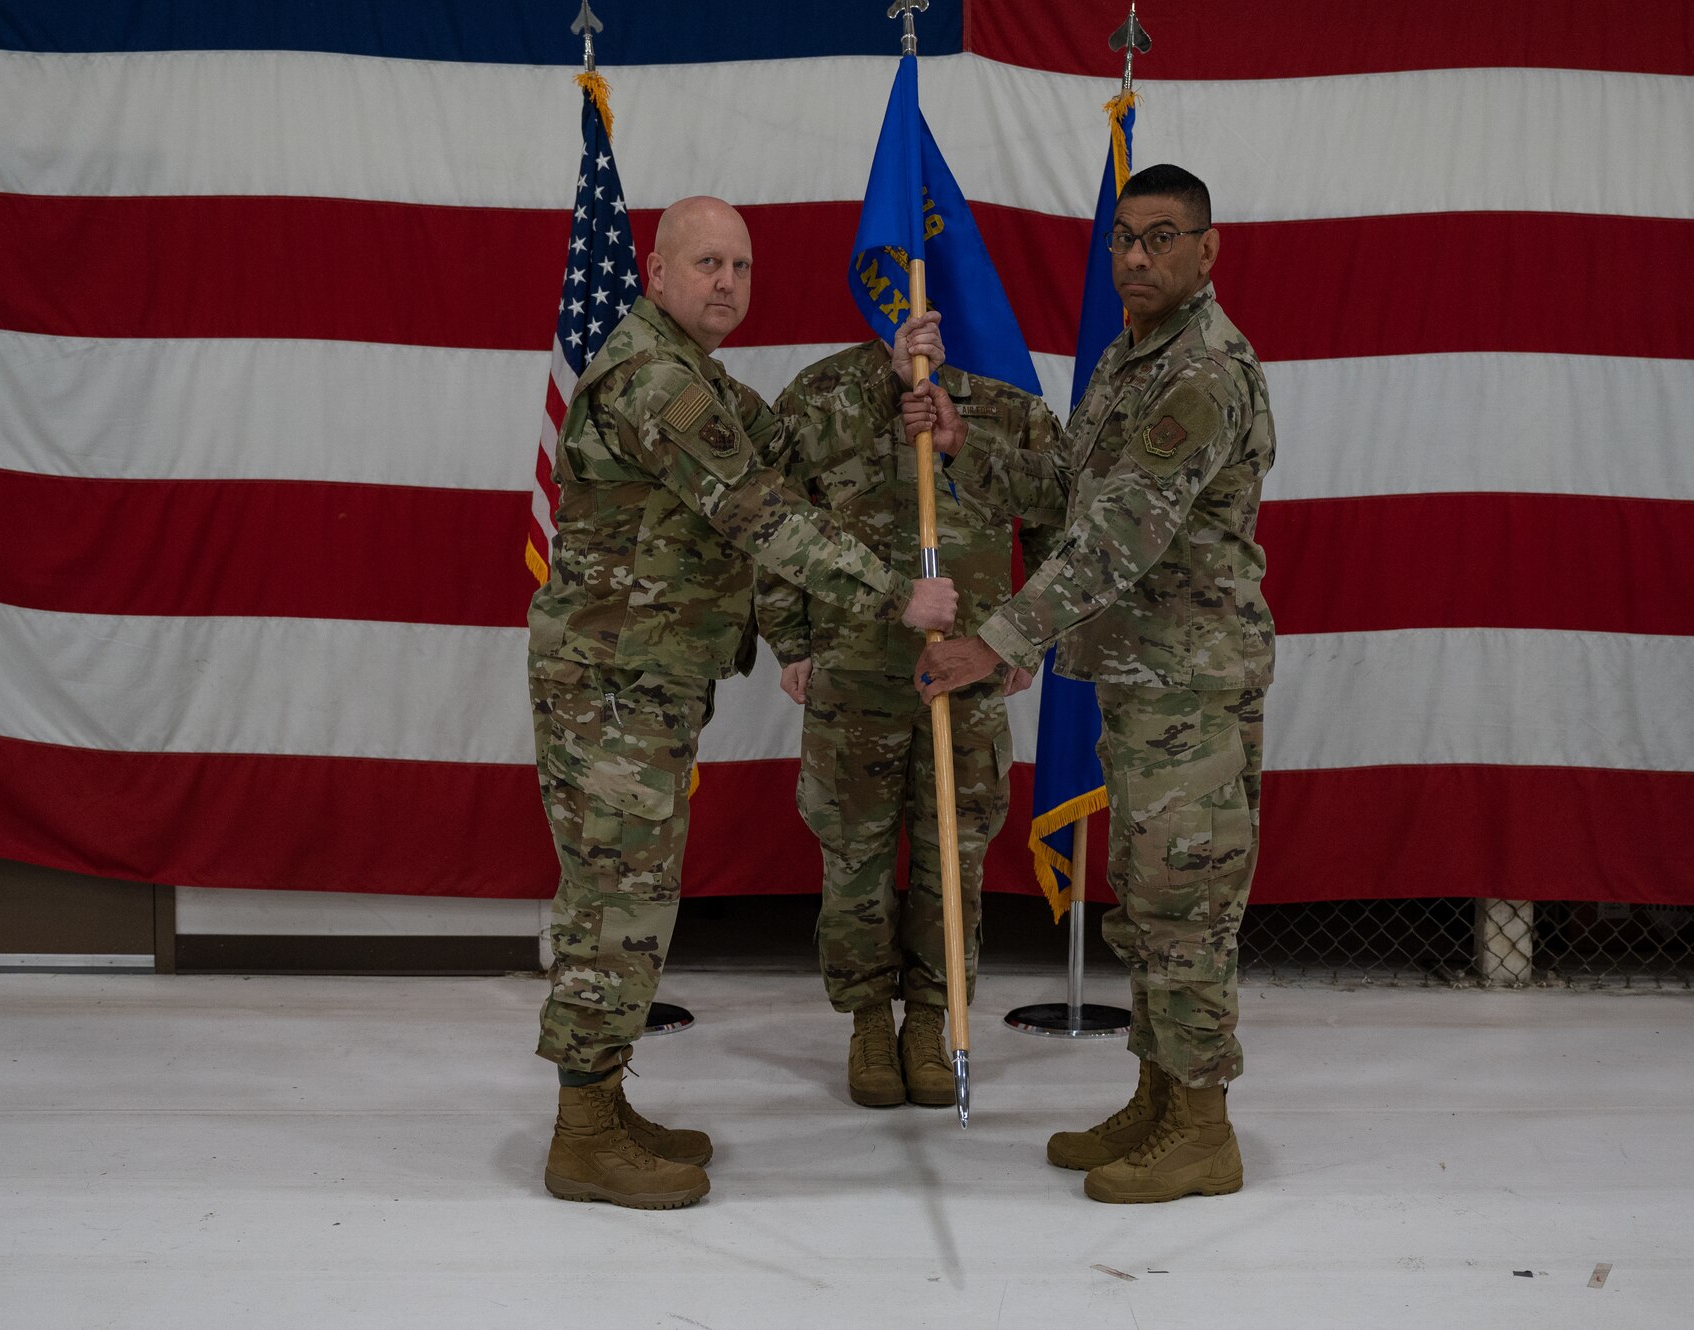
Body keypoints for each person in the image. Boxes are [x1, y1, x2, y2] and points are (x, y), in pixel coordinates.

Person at [527, 196, 958, 1209]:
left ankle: (602, 1096)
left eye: (741, 266)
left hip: (641, 682)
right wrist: (899, 593)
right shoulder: (652, 383)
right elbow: (765, 513)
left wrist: (889, 375)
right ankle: (581, 1132)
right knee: (615, 905)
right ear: (656, 270)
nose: (726, 282)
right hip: (611, 687)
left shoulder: (692, 375)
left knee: (632, 896)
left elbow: (791, 446)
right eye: (706, 262)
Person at [905, 164, 1275, 1204]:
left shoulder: (1202, 368)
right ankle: (1159, 1098)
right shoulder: (1128, 358)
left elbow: (1120, 534)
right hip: (1141, 678)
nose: (1136, 257)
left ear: (1207, 249)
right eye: (1123, 237)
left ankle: (1202, 1125)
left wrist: (995, 638)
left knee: (1187, 906)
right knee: (1153, 903)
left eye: (1161, 237)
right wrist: (963, 443)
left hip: (1192, 684)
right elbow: (1076, 492)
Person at [758, 314, 1062, 1109]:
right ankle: (865, 1020)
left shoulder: (1009, 403)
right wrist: (790, 638)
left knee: (952, 856)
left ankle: (932, 1020)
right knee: (853, 856)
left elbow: (1063, 518)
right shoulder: (823, 396)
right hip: (852, 669)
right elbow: (772, 517)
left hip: (964, 670)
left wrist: (1021, 641)